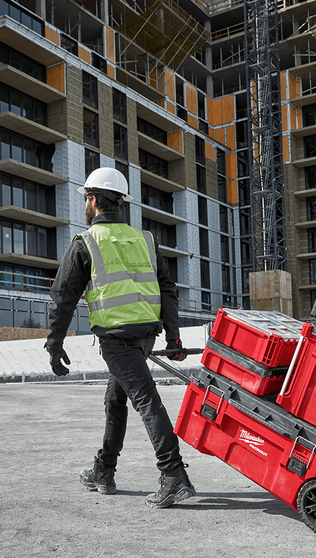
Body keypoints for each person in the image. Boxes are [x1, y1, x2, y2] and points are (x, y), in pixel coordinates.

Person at [45, 167, 195, 509]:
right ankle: (104, 470)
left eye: (86, 198)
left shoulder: (86, 242)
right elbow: (167, 290)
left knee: (145, 400)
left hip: (117, 339)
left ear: (94, 200)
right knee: (116, 399)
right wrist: (172, 337)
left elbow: (63, 296)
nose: (85, 203)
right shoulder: (144, 239)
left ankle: (173, 475)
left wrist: (54, 345)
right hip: (145, 336)